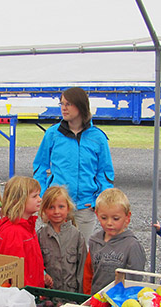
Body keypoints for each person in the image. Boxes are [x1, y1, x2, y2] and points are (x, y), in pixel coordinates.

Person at [33, 87, 115, 244]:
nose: (63, 108)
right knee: (54, 252)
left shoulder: (98, 137)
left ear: (81, 105)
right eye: (62, 103)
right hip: (57, 205)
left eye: (68, 104)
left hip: (85, 206)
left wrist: (98, 200)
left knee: (82, 253)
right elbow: (40, 166)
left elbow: (105, 173)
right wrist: (43, 194)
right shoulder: (52, 134)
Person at [88, 188, 146, 295]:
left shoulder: (132, 245)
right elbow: (89, 273)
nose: (109, 223)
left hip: (120, 303)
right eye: (104, 218)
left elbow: (135, 280)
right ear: (97, 215)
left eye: (115, 218)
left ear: (127, 217)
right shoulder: (94, 241)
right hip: (96, 298)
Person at [0, 176, 48, 288]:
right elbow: (13, 273)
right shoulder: (13, 232)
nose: (40, 199)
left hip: (32, 290)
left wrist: (42, 274)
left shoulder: (27, 226)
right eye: (34, 196)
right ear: (19, 200)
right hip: (23, 295)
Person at [37, 186, 87, 293]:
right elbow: (36, 264)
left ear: (68, 208)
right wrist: (43, 275)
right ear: (44, 210)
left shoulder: (77, 236)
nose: (56, 211)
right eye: (51, 207)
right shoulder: (40, 235)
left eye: (61, 207)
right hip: (49, 295)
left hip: (71, 294)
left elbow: (82, 269)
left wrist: (82, 296)